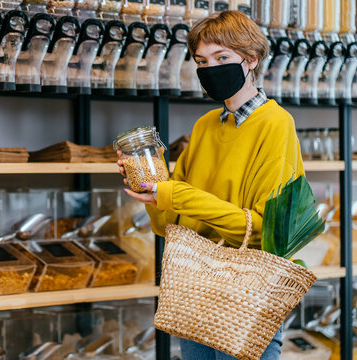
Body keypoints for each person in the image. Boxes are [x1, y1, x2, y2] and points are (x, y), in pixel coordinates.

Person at [117, 10, 305, 360]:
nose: (210, 69)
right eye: (201, 61)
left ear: (251, 60)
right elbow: (171, 224)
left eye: (222, 58)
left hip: (247, 294)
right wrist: (152, 191)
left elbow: (265, 229)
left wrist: (174, 193)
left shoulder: (276, 125)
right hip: (196, 291)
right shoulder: (204, 126)